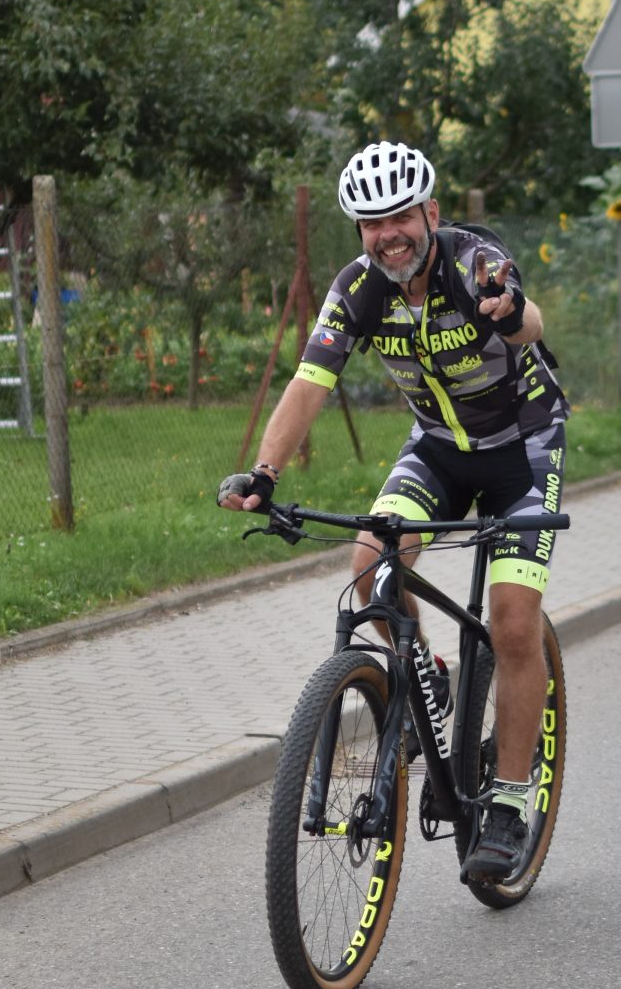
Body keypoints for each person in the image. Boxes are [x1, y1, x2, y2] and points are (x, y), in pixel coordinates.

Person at [218, 140, 567, 885]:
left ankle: (510, 802)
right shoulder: (357, 289)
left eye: (401, 217)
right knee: (371, 567)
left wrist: (510, 314)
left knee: (512, 621)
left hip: (524, 449)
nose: (389, 235)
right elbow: (308, 383)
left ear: (430, 213)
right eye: (372, 224)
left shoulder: (474, 263)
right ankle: (427, 674)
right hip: (438, 448)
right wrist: (265, 473)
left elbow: (527, 318)